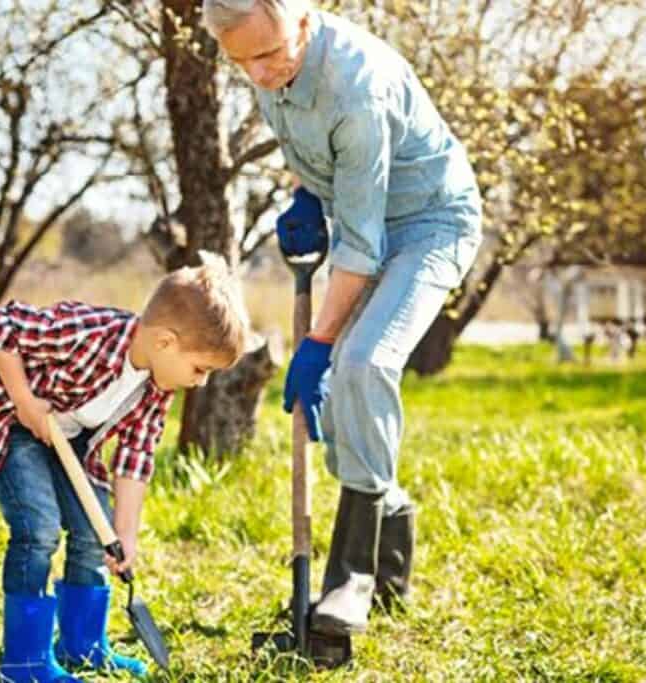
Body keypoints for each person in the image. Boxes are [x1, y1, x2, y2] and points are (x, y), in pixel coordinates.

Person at [203, 0, 483, 636]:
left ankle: (350, 576)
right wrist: (306, 193)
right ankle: (390, 556)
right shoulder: (264, 61)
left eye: (271, 53)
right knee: (343, 402)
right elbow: (312, 147)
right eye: (241, 60)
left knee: (363, 362)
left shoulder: (358, 84)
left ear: (306, 20)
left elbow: (359, 245)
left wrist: (319, 343)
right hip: (368, 217)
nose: (261, 73)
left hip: (429, 224)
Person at [0, 253, 250, 681]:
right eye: (200, 368)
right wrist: (25, 402)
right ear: (166, 342)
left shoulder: (156, 388)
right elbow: (3, 325)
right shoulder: (87, 332)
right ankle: (24, 662)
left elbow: (136, 459)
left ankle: (81, 644)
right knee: (39, 528)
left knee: (94, 534)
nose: (201, 381)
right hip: (13, 421)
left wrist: (124, 535)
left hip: (70, 441)